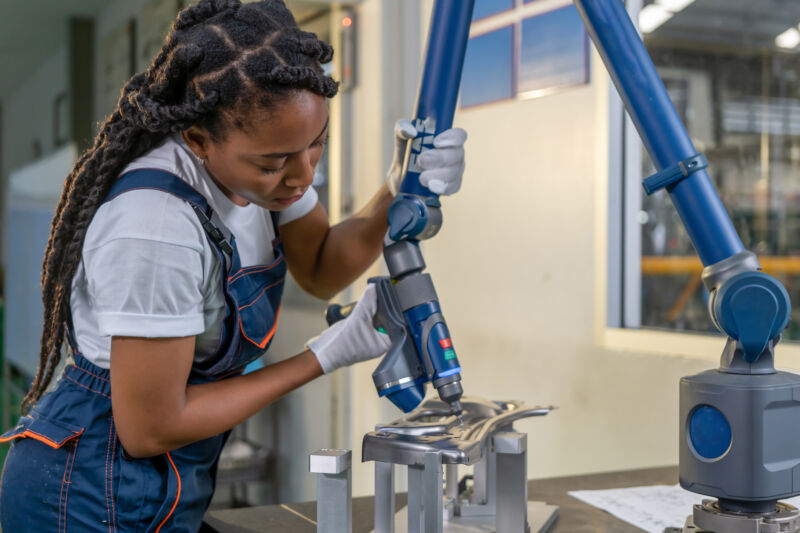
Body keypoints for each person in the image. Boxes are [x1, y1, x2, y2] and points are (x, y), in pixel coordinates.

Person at [0, 1, 467, 531]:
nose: (301, 178)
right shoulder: (155, 224)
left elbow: (320, 267)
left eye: (318, 146)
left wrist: (396, 186)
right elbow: (150, 427)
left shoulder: (268, 160)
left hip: (166, 481)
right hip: (82, 491)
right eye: (275, 163)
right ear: (198, 140)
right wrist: (324, 355)